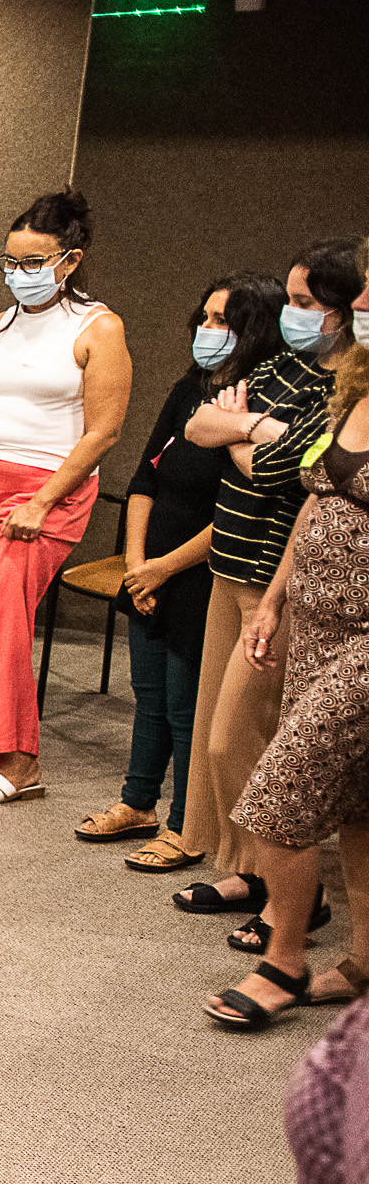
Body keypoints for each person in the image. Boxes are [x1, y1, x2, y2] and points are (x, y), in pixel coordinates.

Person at [172, 237, 362, 944]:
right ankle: (255, 876)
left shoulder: (340, 387)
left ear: (344, 313)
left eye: (308, 305)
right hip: (230, 561)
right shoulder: (286, 364)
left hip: (275, 576)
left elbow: (281, 470)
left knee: (242, 741)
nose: (294, 316)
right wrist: (250, 426)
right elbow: (200, 423)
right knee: (228, 742)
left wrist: (240, 430)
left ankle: (298, 903)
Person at [0, 191, 132, 806]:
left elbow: (104, 430)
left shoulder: (100, 328)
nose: (19, 274)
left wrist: (41, 502)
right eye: (10, 262)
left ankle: (19, 762)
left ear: (69, 261)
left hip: (42, 492)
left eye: (33, 262)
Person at [73, 273, 284, 870]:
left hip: (202, 571)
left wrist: (164, 567)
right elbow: (145, 478)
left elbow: (244, 508)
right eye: (206, 318)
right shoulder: (189, 388)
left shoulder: (256, 405)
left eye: (225, 322)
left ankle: (184, 825)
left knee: (187, 705)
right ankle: (136, 801)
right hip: (149, 568)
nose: (208, 331)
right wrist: (137, 565)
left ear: (254, 332)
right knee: (148, 697)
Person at [200, 337, 369, 1029]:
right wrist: (274, 601)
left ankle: (285, 960)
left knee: (279, 788)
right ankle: (363, 960)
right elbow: (315, 504)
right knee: (360, 802)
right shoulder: (357, 389)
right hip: (318, 627)